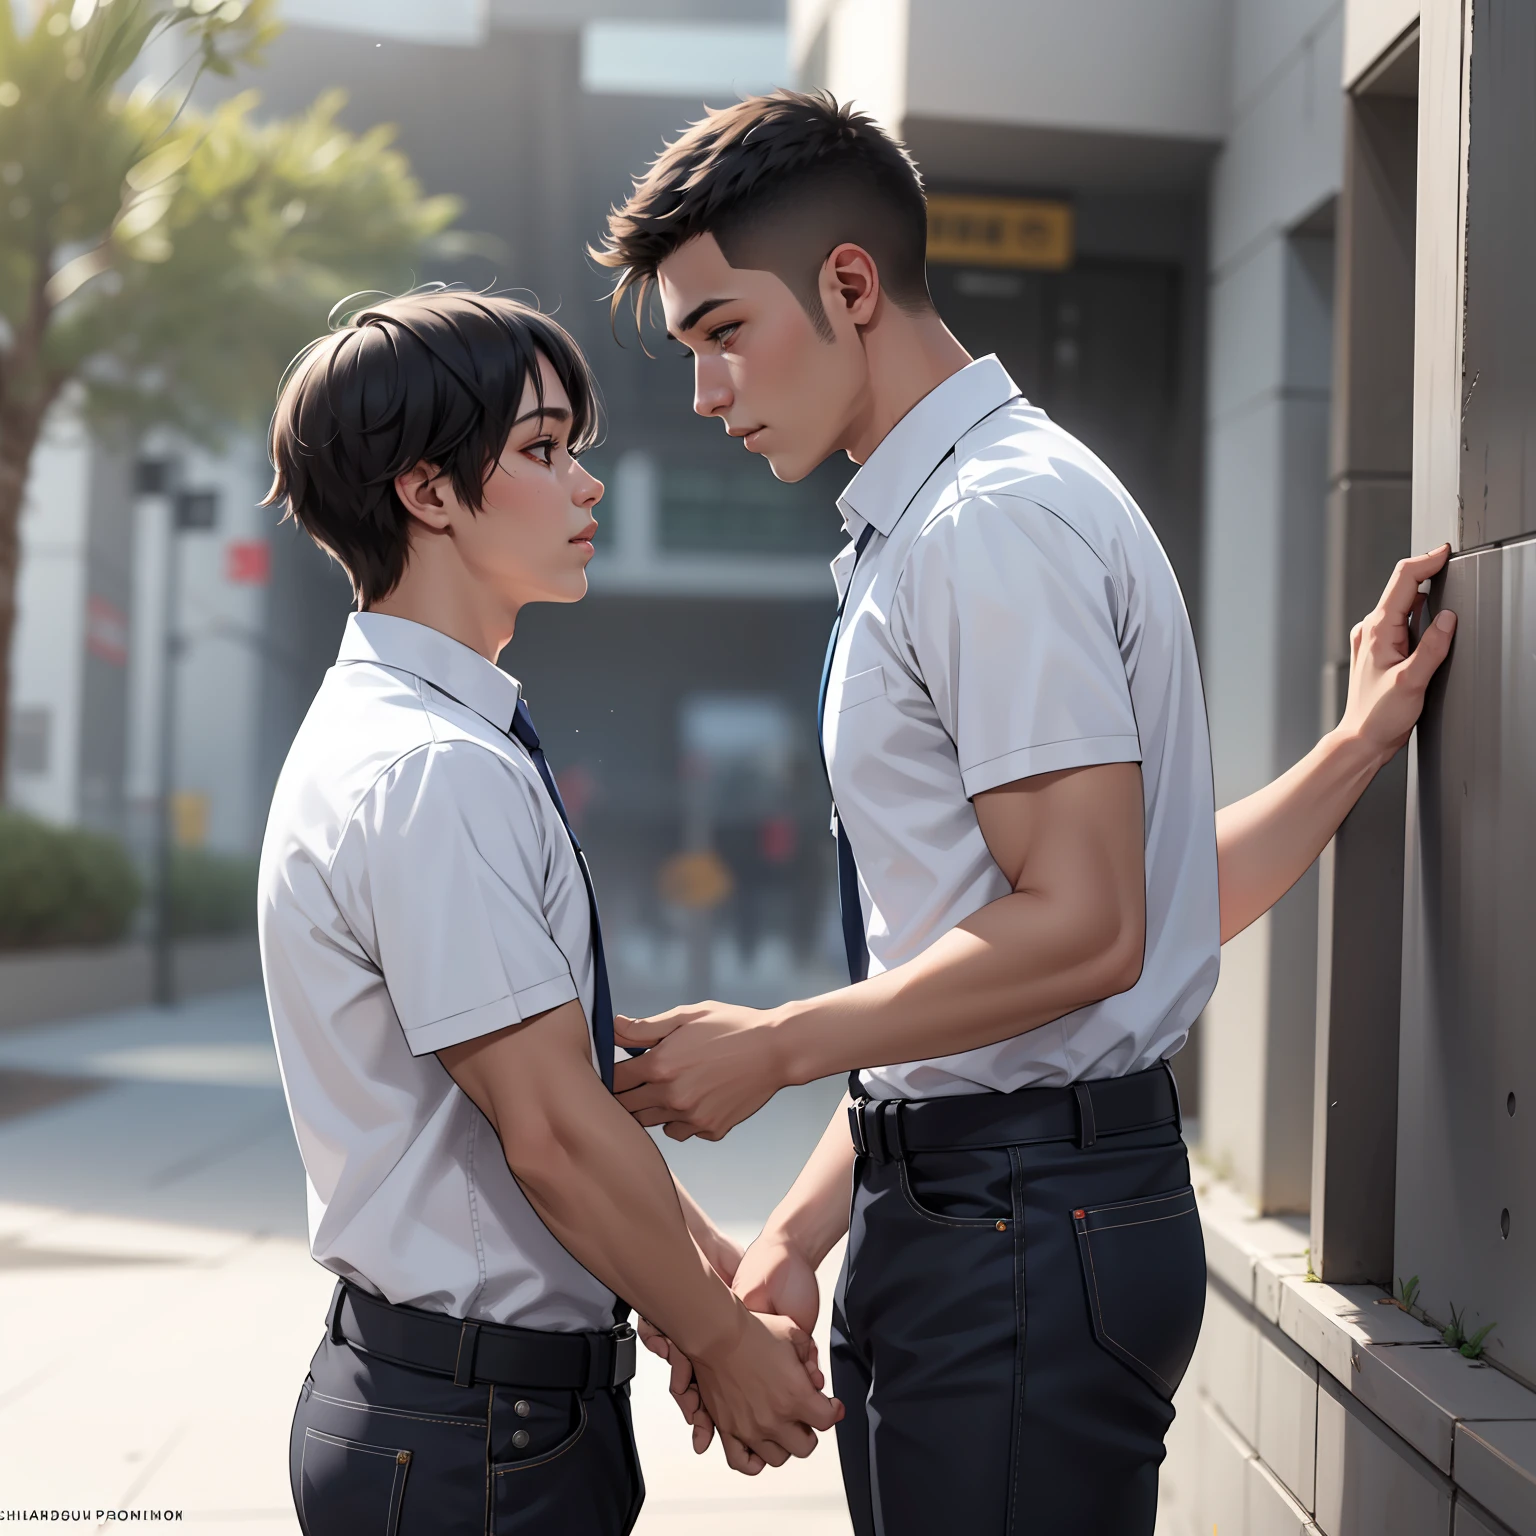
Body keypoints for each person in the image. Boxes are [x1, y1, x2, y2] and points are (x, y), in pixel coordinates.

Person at [593, 91, 1458, 1534]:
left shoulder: (989, 525)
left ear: (850, 286)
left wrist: (780, 1046)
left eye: (722, 331)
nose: (707, 392)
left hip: (1019, 1233)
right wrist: (807, 1226)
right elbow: (1130, 907)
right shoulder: (940, 520)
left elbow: (1089, 930)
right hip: (980, 1211)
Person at [256, 289, 840, 1536]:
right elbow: (552, 1133)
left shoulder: (437, 738)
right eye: (541, 448)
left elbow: (558, 1093)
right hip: (467, 1443)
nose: (586, 486)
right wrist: (719, 1339)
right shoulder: (430, 769)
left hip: (473, 1425)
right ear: (427, 493)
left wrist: (716, 1290)